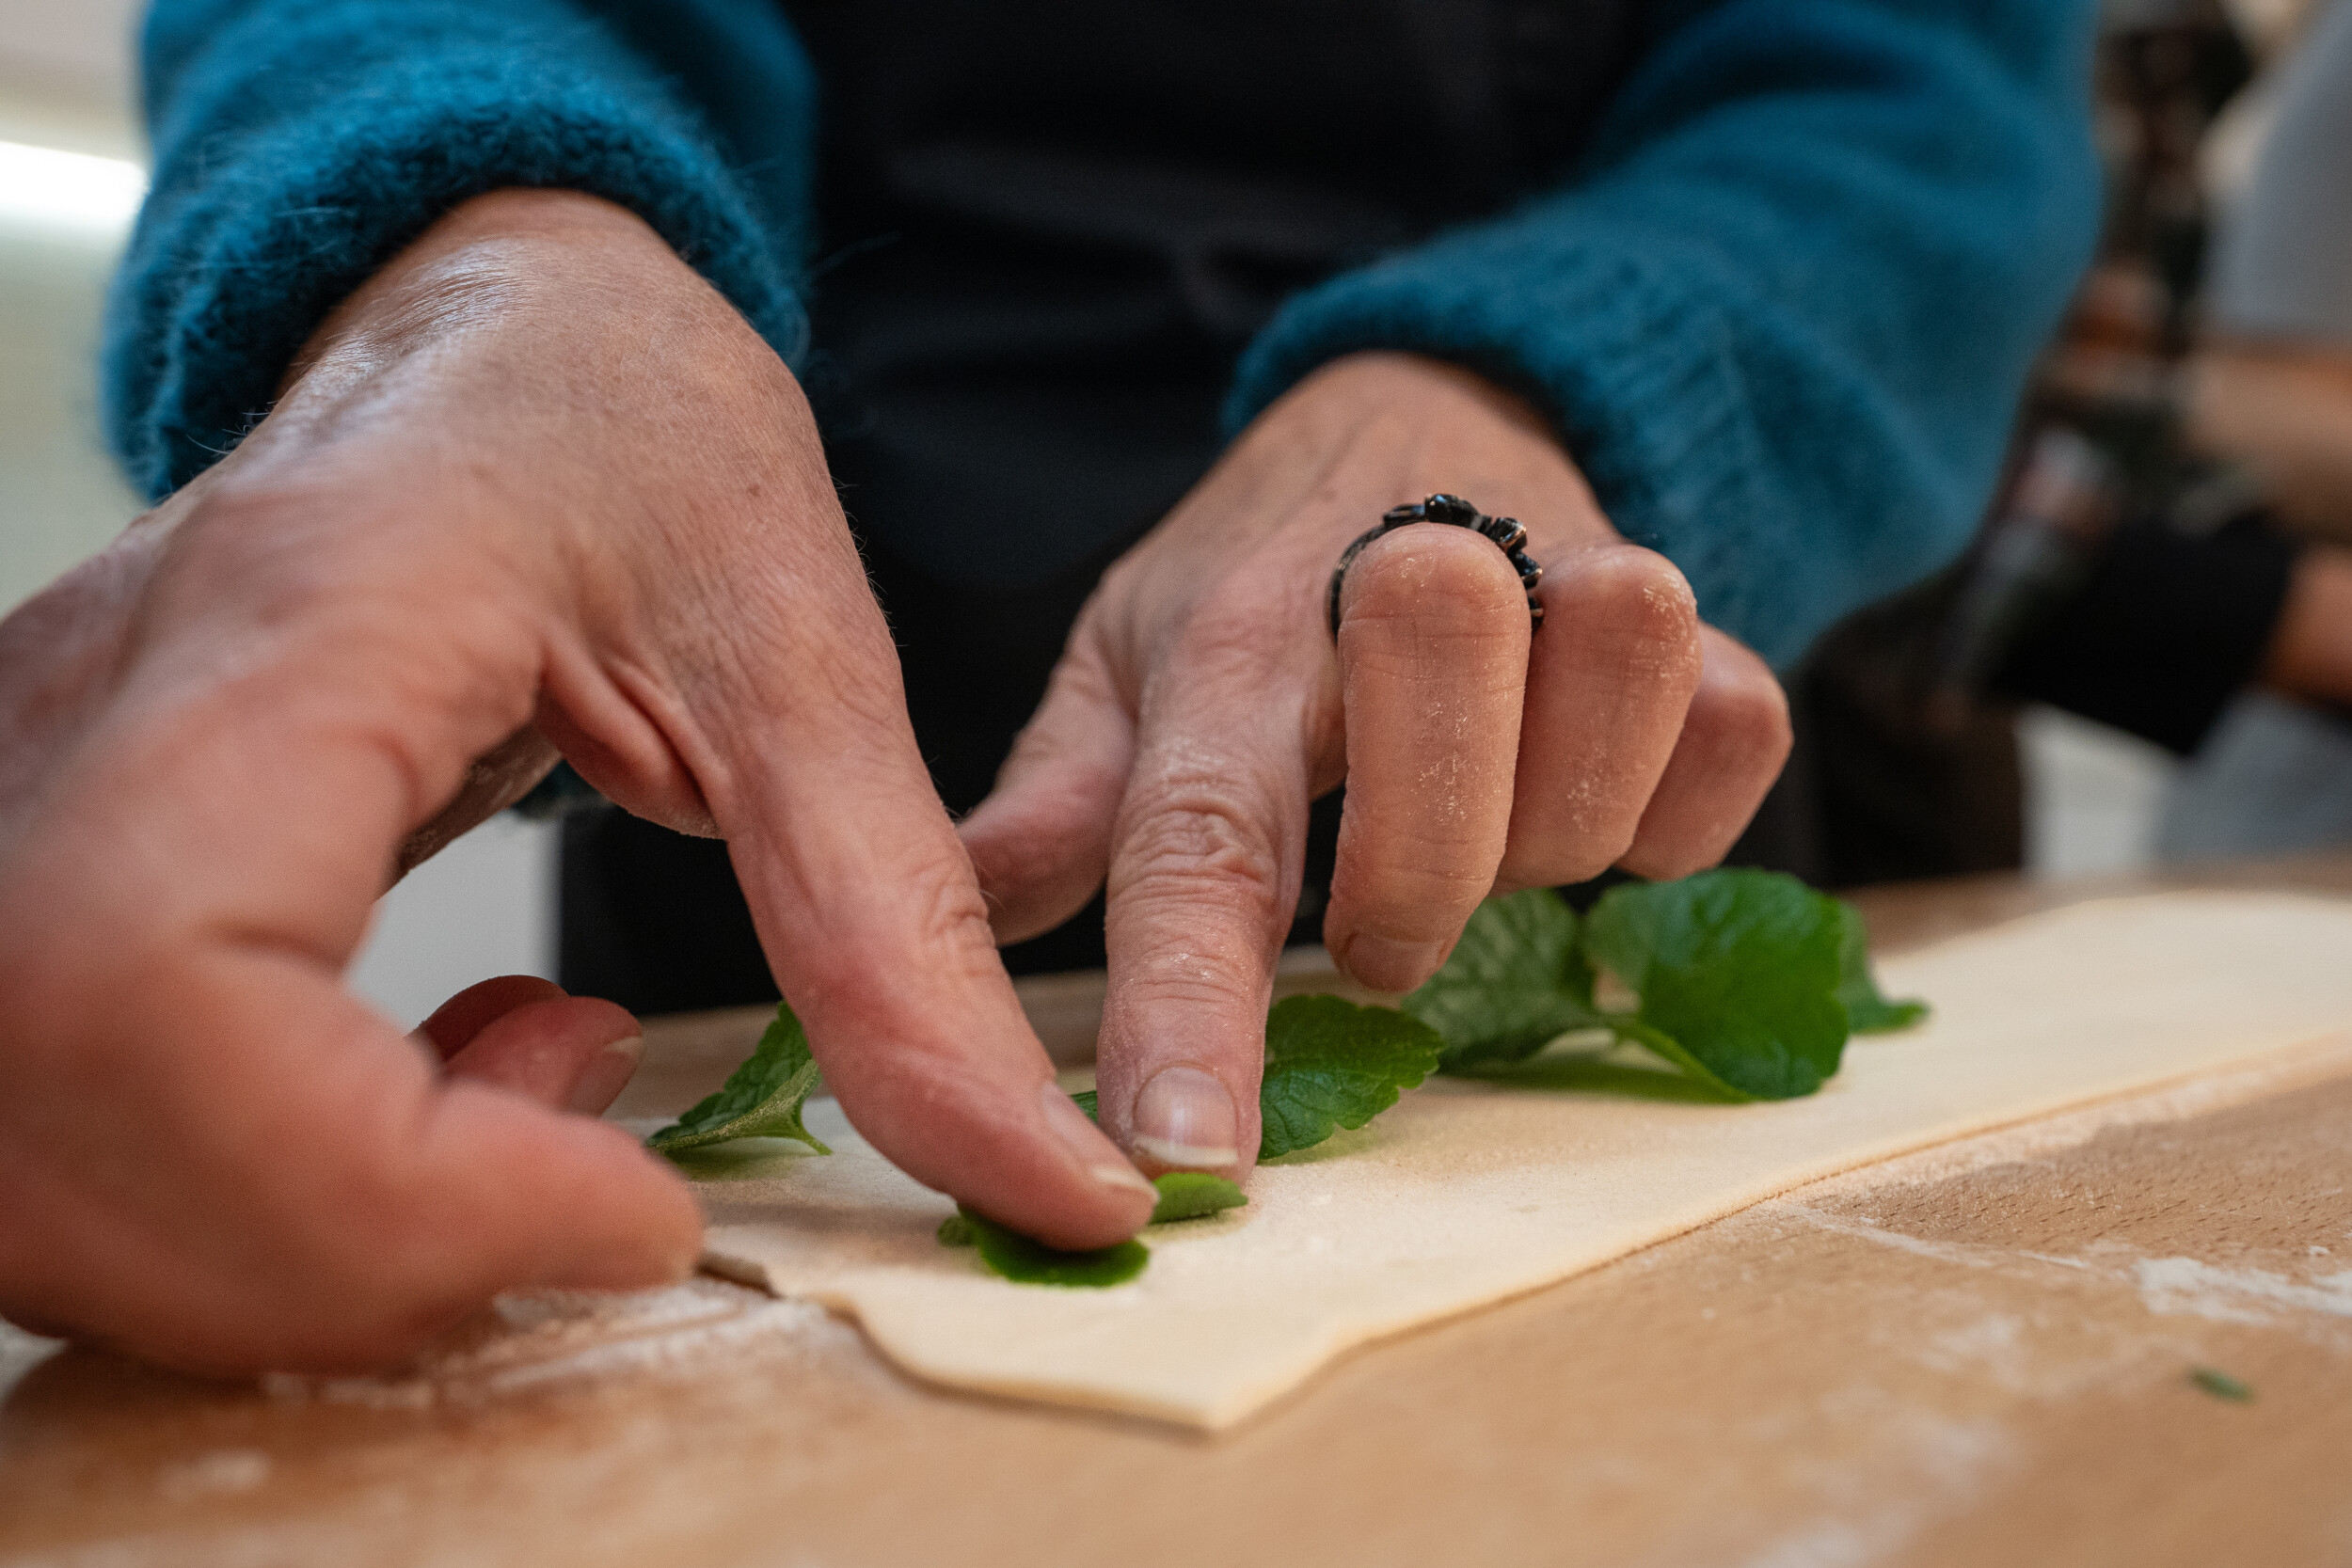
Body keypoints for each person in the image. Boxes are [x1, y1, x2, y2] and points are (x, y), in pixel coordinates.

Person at [0, 0, 2099, 1372]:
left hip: (1550, 698)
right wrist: (490, 250)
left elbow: (1913, 102)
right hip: (787, 746)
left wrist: (1543, 370)